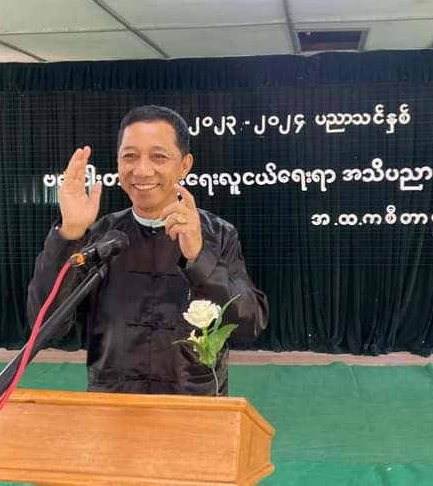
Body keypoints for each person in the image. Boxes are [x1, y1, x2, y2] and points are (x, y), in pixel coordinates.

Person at [27, 105, 268, 396]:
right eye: (130, 156)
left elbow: (249, 324)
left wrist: (199, 257)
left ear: (185, 165)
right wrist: (70, 234)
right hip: (113, 404)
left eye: (159, 157)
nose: (142, 170)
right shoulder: (100, 237)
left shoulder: (217, 234)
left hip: (194, 405)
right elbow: (46, 326)